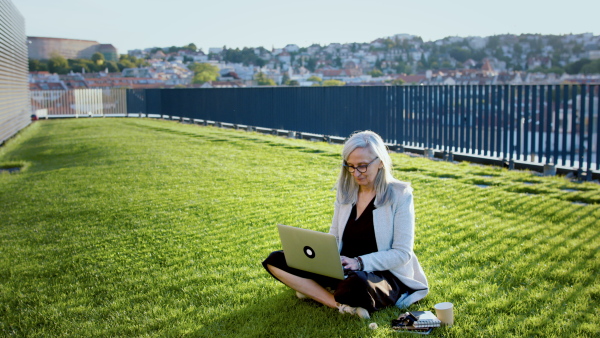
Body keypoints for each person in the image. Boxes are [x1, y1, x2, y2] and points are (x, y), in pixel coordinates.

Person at [262, 130, 428, 319]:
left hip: (381, 274)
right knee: (276, 260)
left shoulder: (400, 195)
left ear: (381, 161)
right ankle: (337, 303)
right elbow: (335, 236)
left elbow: (402, 253)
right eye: (350, 166)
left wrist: (359, 263)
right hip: (343, 267)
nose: (356, 173)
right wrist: (323, 259)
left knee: (356, 285)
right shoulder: (346, 192)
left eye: (363, 166)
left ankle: (316, 290)